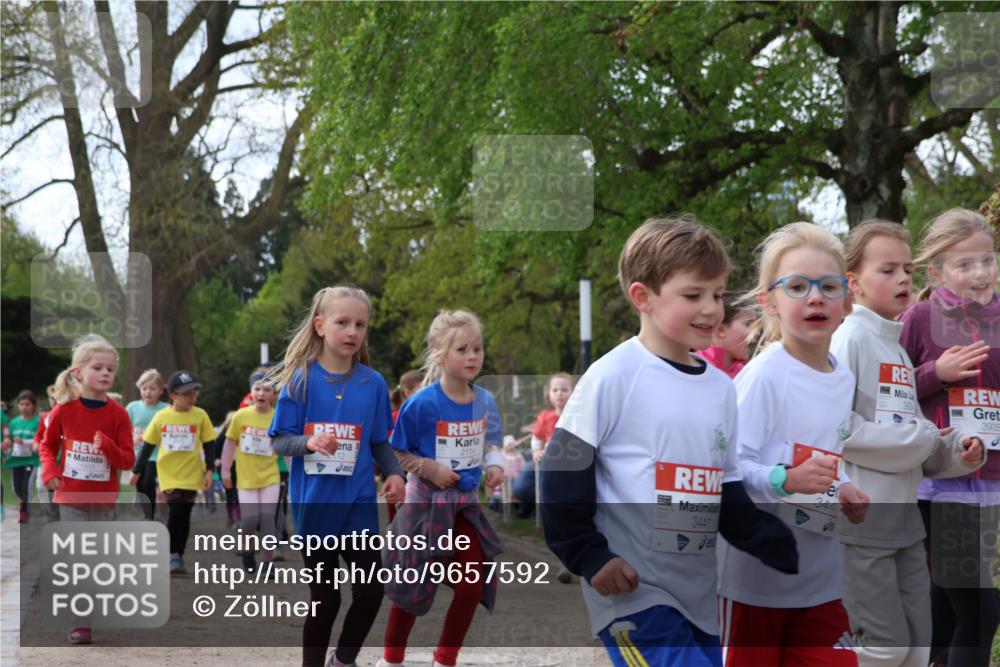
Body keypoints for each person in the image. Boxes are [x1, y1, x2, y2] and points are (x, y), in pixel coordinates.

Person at [542, 216, 798, 667]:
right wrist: (587, 553)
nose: (711, 308)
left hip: (699, 598)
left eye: (717, 294)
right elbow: (563, 469)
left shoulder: (721, 388)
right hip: (632, 595)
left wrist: (763, 535)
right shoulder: (613, 375)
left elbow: (724, 486)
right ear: (643, 297)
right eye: (692, 295)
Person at [831, 219, 986, 667]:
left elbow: (910, 435)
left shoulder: (895, 345)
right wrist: (919, 438)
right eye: (888, 270)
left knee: (918, 647)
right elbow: (837, 429)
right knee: (884, 647)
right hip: (863, 524)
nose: (902, 279)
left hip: (905, 523)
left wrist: (957, 452)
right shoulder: (851, 338)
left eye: (906, 269)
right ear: (854, 283)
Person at [716, 222, 871, 667]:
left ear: (847, 299)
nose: (816, 297)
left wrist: (841, 486)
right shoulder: (764, 376)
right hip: (753, 584)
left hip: (820, 579)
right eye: (798, 287)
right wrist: (785, 480)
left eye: (828, 286)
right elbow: (729, 471)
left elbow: (824, 454)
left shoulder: (842, 375)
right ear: (769, 301)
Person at [269, 285, 405, 667]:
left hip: (359, 504)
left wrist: (395, 475)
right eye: (342, 322)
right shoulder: (300, 379)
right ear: (319, 325)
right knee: (326, 599)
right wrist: (309, 442)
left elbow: (380, 441)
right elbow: (280, 441)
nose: (352, 332)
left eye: (360, 324)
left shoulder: (373, 383)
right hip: (316, 507)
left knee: (370, 591)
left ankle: (343, 660)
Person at [899, 208, 1000, 667]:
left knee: (946, 604)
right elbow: (890, 394)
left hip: (992, 481)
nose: (980, 273)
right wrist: (935, 373)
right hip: (942, 482)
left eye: (988, 260)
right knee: (980, 609)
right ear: (936, 271)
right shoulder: (918, 318)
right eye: (964, 265)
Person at [381, 309, 506, 667]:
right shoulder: (420, 404)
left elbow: (492, 442)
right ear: (439, 355)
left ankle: (445, 659)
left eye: (477, 349)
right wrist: (430, 468)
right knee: (410, 589)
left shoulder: (485, 400)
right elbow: (398, 450)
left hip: (464, 508)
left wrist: (495, 465)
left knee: (471, 584)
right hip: (423, 509)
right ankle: (391, 660)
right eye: (462, 349)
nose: (472, 357)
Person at [38, 334, 134, 645]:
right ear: (78, 373)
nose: (105, 374)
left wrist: (106, 446)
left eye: (110, 369)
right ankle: (82, 623)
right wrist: (51, 471)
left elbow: (128, 458)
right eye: (98, 368)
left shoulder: (118, 415)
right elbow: (47, 447)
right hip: (72, 497)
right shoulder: (63, 411)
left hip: (104, 499)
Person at [131, 371, 216, 575]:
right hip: (169, 474)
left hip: (192, 474)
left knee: (183, 516)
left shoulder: (200, 415)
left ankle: (178, 553)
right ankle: (172, 555)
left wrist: (210, 471)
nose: (191, 397)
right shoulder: (162, 417)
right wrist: (137, 470)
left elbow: (209, 444)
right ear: (173, 395)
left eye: (194, 393)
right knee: (176, 511)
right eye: (186, 393)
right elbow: (148, 445)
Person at [222, 373, 280, 572]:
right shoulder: (241, 416)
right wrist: (225, 472)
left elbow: (287, 448)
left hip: (270, 476)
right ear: (251, 392)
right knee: (249, 520)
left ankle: (267, 562)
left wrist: (295, 472)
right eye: (257, 389)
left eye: (267, 389)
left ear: (274, 395)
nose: (261, 393)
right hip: (246, 478)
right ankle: (247, 552)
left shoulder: (278, 417)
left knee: (266, 519)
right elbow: (230, 444)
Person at [513, 373, 574, 520]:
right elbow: (537, 437)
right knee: (521, 486)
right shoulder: (545, 416)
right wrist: (536, 451)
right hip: (546, 457)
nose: (559, 393)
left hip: (567, 461)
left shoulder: (576, 416)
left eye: (565, 390)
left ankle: (546, 510)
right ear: (549, 394)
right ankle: (530, 504)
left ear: (574, 393)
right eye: (555, 390)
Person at [125, 369, 169, 520]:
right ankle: (146, 512)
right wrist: (132, 438)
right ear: (139, 389)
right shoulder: (132, 407)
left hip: (156, 454)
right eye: (144, 389)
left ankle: (149, 516)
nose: (148, 392)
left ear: (161, 390)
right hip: (137, 453)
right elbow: (124, 430)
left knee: (149, 481)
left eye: (152, 389)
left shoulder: (165, 409)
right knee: (140, 484)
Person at [696, 294, 756, 378]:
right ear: (721, 330)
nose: (755, 331)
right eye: (748, 324)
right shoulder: (695, 368)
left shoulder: (747, 372)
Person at [4, 390, 40, 523]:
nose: (24, 407)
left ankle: (25, 512)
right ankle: (27, 502)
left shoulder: (37, 422)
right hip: (16, 460)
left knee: (27, 486)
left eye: (27, 404)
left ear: (34, 406)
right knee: (16, 488)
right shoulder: (14, 423)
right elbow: (9, 438)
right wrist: (7, 442)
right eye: (21, 404)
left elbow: (40, 440)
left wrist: (24, 442)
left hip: (31, 460)